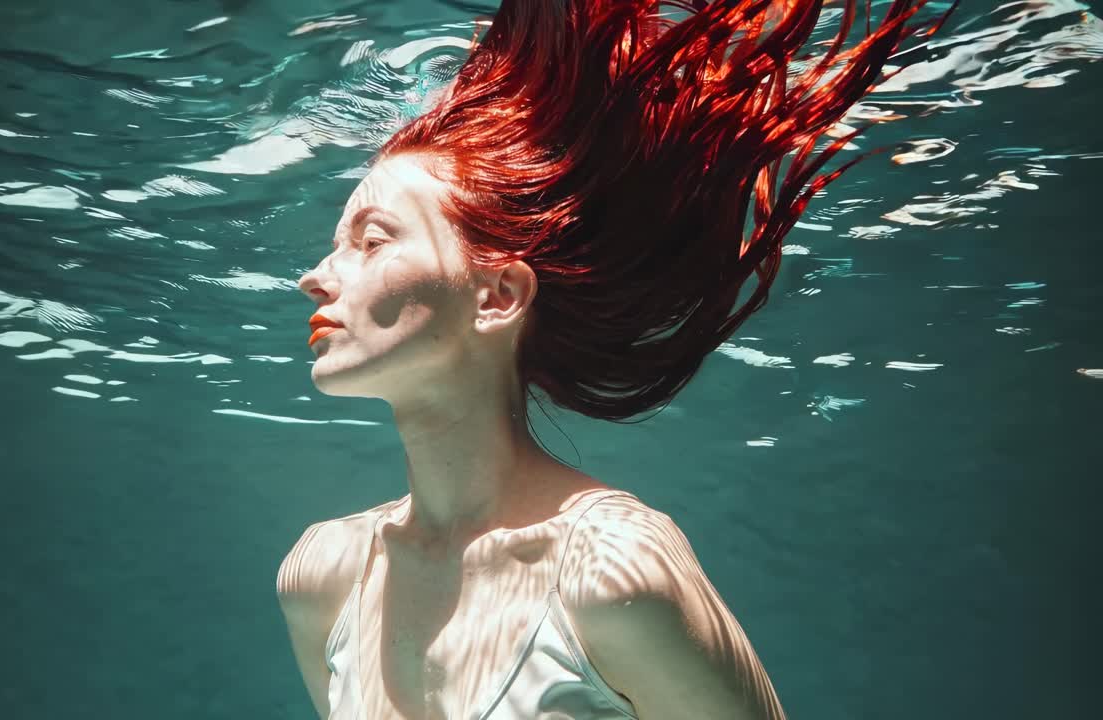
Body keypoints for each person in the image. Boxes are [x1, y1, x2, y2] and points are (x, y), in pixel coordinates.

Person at [277, 1, 951, 718]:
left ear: (499, 296)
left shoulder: (610, 571)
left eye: (373, 241)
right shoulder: (324, 576)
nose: (315, 276)